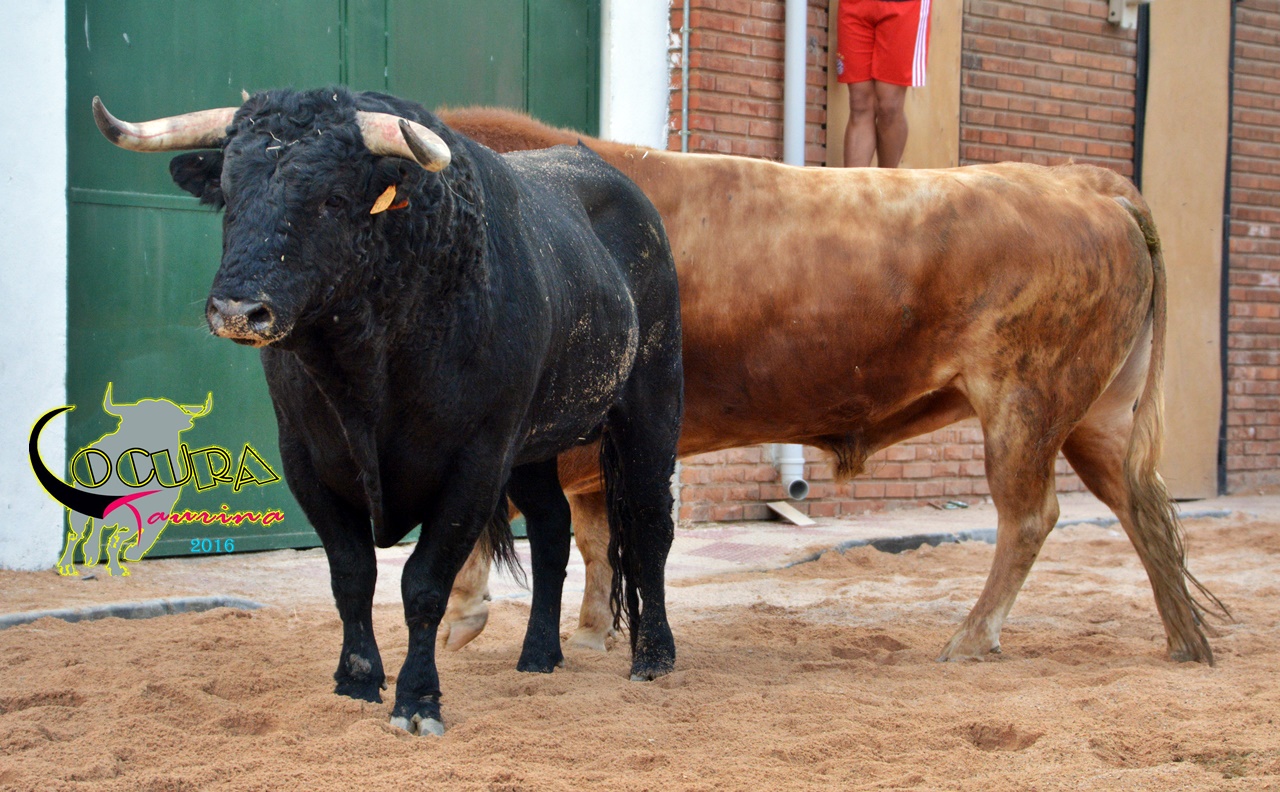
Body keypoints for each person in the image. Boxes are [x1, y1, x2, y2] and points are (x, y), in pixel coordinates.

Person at [837, 0, 931, 168]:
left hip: (904, 4)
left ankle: (887, 182)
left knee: (889, 106)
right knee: (859, 103)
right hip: (855, 5)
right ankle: (854, 184)